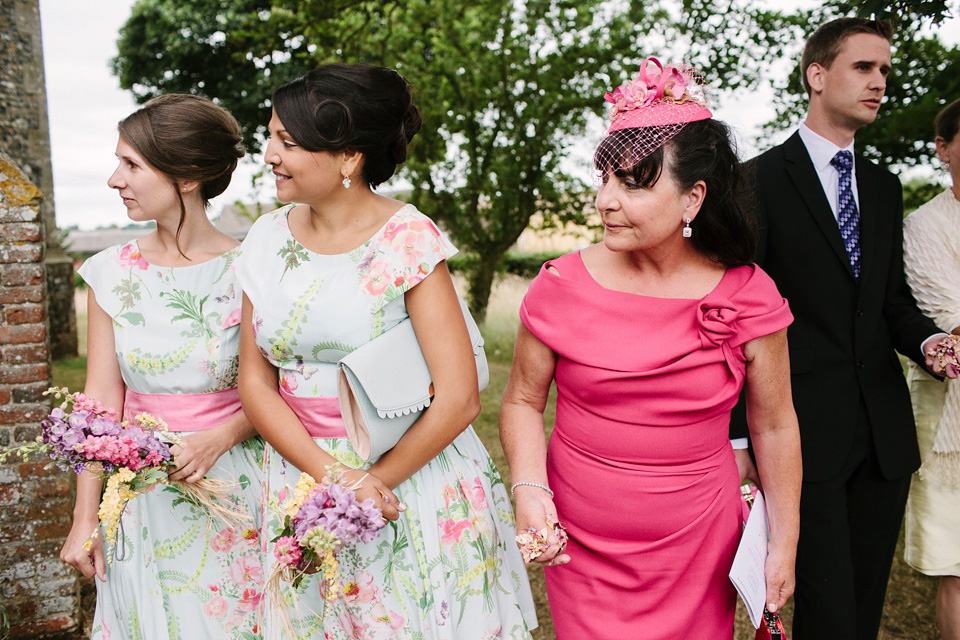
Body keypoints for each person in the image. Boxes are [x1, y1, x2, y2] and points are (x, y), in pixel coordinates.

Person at [498, 58, 802, 639]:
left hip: (696, 545)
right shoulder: (559, 285)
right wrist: (531, 491)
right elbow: (519, 402)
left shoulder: (751, 295)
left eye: (632, 182)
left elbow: (776, 425)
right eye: (603, 178)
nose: (606, 201)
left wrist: (783, 540)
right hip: (584, 543)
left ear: (693, 198)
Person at [235, 63, 536, 639]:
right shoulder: (265, 238)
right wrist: (333, 478)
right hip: (299, 474)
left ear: (349, 158)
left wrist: (373, 483)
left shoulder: (408, 240)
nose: (269, 155)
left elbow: (459, 397)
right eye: (271, 136)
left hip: (410, 478)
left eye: (287, 142)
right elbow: (255, 381)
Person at [729, 18, 960, 640]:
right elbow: (734, 315)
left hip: (882, 432)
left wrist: (929, 341)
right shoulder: (756, 182)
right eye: (864, 68)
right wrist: (739, 439)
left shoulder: (883, 188)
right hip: (799, 431)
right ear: (817, 75)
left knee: (862, 608)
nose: (880, 82)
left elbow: (891, 303)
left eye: (886, 70)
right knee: (826, 612)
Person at [59, 94, 265, 638]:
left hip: (238, 493)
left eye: (131, 164)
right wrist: (86, 518)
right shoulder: (108, 274)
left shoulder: (252, 270)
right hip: (142, 498)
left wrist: (219, 437)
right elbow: (100, 403)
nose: (113, 179)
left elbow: (279, 388)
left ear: (189, 174)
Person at [902, 97, 960, 640]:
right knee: (959, 570)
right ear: (943, 149)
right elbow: (952, 322)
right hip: (952, 430)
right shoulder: (924, 226)